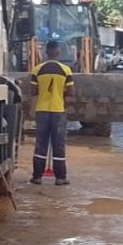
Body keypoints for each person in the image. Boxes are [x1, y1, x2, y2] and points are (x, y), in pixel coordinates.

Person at [30, 40, 73, 186]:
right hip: (58, 111)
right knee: (58, 144)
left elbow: (33, 91)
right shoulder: (66, 70)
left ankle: (37, 177)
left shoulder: (37, 70)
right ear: (58, 52)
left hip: (42, 111)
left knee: (40, 144)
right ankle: (60, 178)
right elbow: (70, 92)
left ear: (46, 52)